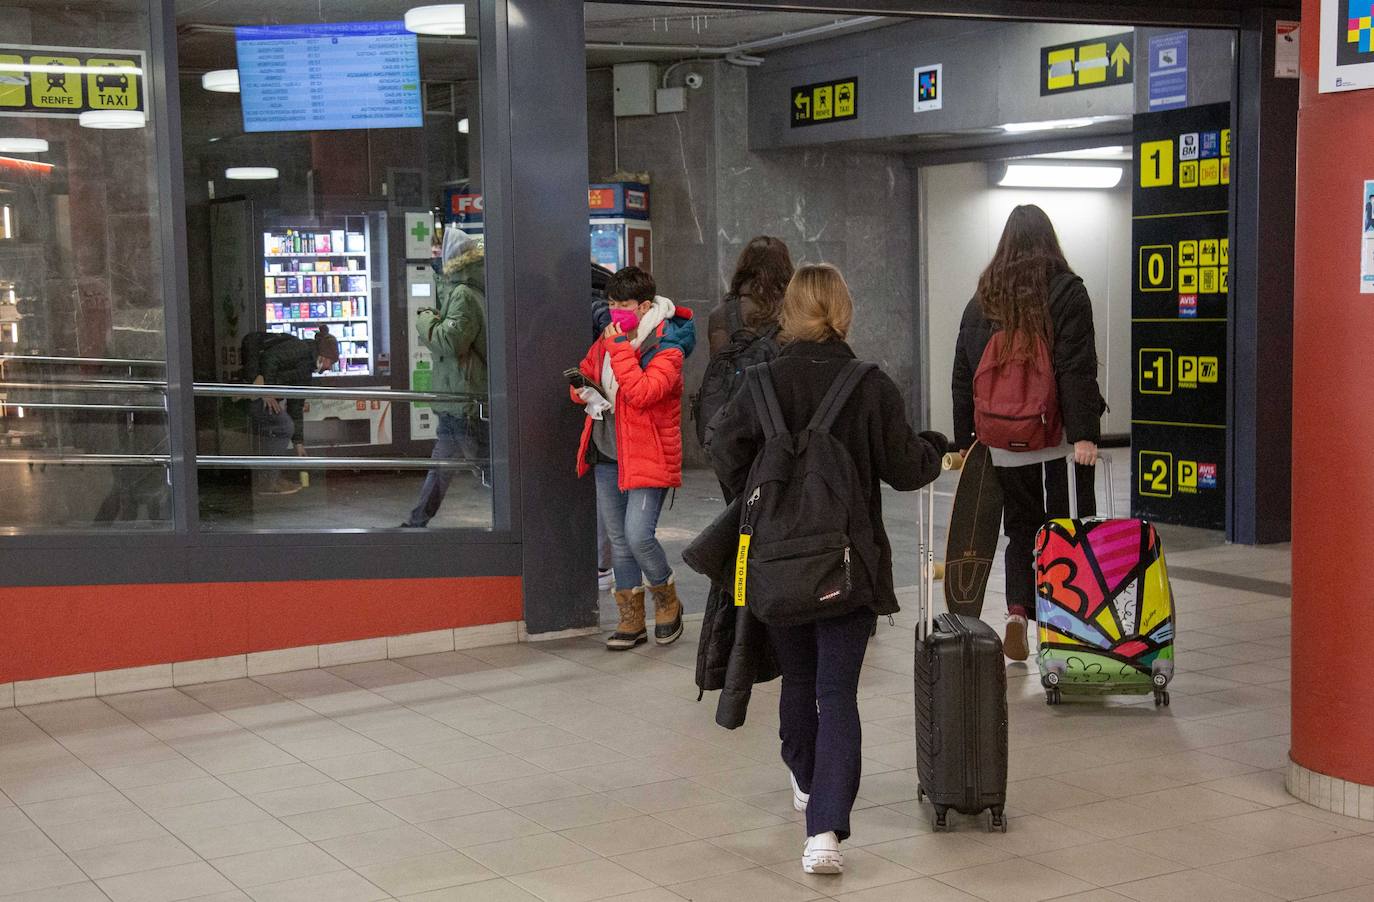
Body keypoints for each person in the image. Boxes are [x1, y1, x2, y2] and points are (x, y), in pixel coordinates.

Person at [707, 264, 946, 875]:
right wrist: (936, 448)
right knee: (837, 693)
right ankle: (825, 835)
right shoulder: (868, 384)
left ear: (789, 310)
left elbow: (723, 445)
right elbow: (904, 467)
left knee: (797, 681)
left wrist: (765, 496)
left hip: (778, 564)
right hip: (847, 565)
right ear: (843, 310)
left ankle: (807, 780)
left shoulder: (760, 380)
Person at [951, 204, 1106, 661]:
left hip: (1000, 444)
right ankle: (1065, 628)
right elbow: (1075, 369)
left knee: (1020, 529)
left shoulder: (982, 300)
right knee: (1066, 529)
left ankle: (1017, 613)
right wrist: (1084, 434)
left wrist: (967, 443)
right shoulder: (1066, 293)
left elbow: (963, 376)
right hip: (1055, 443)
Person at [571, 266, 695, 650]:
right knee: (619, 542)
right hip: (607, 453)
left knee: (638, 536)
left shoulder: (668, 345)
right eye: (609, 304)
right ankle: (631, 618)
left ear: (643, 306)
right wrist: (583, 391)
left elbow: (643, 393)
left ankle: (667, 600)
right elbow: (590, 369)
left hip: (647, 455)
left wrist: (620, 348)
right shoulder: (609, 339)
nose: (613, 312)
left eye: (621, 305)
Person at [401, 231, 489, 528]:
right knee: (444, 466)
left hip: (463, 398)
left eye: (441, 255)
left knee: (486, 467)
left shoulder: (464, 294)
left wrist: (424, 318)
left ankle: (518, 521)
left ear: (454, 260)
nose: (436, 258)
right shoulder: (468, 289)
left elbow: (451, 342)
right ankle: (417, 520)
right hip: (459, 398)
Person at [240, 326, 340, 495]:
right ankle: (269, 481)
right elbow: (271, 358)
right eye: (332, 362)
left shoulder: (307, 368)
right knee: (283, 426)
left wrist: (298, 442)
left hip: (263, 394)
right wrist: (268, 391)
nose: (330, 367)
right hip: (254, 391)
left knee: (280, 427)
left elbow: (296, 403)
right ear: (324, 356)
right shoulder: (301, 349)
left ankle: (269, 478)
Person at [706, 235, 794, 357]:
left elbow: (717, 369)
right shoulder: (795, 312)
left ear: (743, 266)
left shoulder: (719, 314)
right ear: (784, 268)